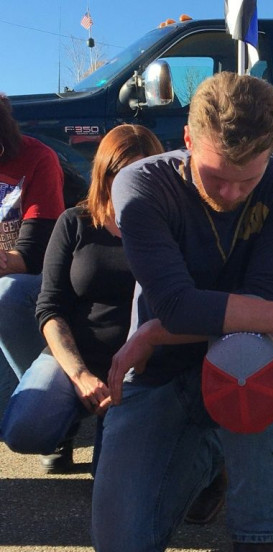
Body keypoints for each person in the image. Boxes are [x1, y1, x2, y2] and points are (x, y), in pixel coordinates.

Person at [92, 73, 273, 552]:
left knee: (250, 355)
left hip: (241, 363)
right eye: (215, 176)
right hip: (158, 374)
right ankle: (206, 453)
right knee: (122, 542)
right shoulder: (141, 183)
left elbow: (257, 299)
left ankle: (254, 532)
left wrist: (155, 330)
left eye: (247, 180)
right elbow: (179, 304)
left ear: (271, 151)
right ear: (187, 139)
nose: (231, 194)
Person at [0, 125, 164, 475]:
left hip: (141, 363)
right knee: (24, 431)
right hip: (80, 353)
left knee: (109, 473)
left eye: (140, 173)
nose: (128, 185)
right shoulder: (75, 222)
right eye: (119, 175)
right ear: (104, 174)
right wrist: (79, 375)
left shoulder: (170, 228)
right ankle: (68, 422)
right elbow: (50, 307)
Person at [0, 94, 64, 418]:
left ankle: (48, 408)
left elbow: (36, 254)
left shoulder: (38, 158)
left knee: (7, 293)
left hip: (34, 283)